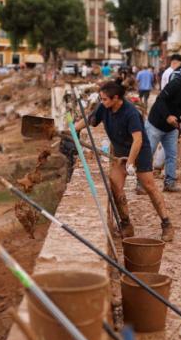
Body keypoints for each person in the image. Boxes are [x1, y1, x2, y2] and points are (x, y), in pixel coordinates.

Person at [74, 82, 174, 242]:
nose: (102, 101)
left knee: (149, 186)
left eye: (105, 99)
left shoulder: (131, 113)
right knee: (115, 185)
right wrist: (73, 129)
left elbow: (138, 140)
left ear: (116, 98)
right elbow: (90, 120)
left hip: (139, 152)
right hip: (119, 152)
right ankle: (126, 224)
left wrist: (131, 163)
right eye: (101, 99)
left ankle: (166, 223)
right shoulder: (103, 107)